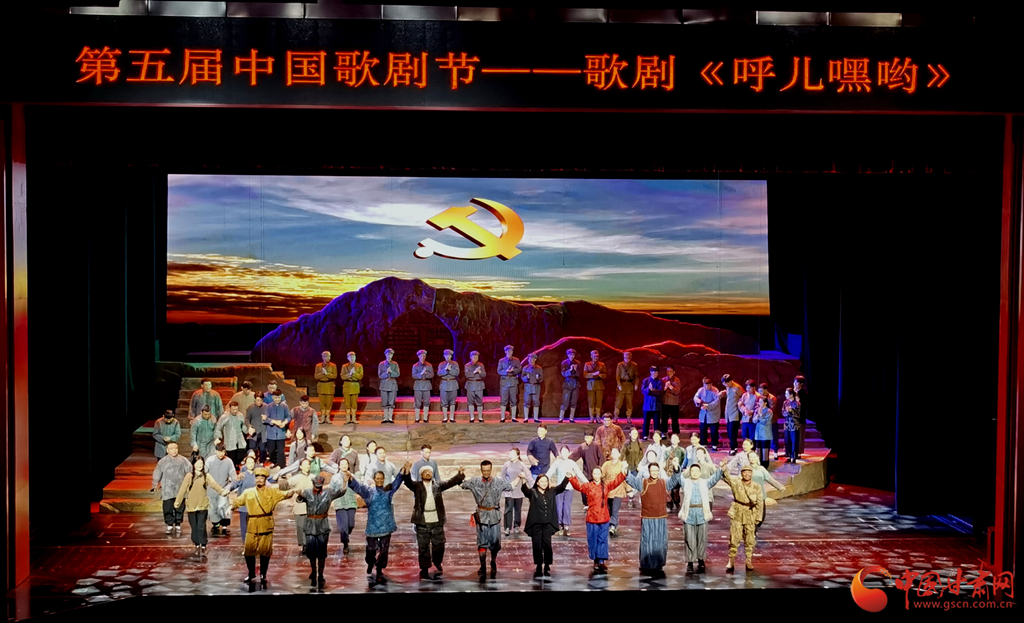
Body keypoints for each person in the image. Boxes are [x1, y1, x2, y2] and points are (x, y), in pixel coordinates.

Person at [230, 466, 297, 589]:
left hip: (266, 523)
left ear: (265, 479)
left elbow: (285, 494)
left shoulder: (272, 492)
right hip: (252, 523)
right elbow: (237, 501)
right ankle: (251, 573)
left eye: (262, 477)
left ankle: (263, 574)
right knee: (249, 551)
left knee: (265, 551)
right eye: (257, 477)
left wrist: (294, 491)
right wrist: (230, 507)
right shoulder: (249, 492)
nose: (259, 479)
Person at [401, 460, 467, 579]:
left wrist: (460, 474)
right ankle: (424, 567)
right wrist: (406, 471)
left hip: (437, 520)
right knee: (423, 546)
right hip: (422, 521)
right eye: (425, 472)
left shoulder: (437, 485)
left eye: (430, 472)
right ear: (421, 475)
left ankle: (437, 561)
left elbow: (450, 482)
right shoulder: (417, 486)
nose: (428, 474)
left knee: (439, 544)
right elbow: (408, 482)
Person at [625, 461, 683, 576]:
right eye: (652, 470)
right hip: (648, 517)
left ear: (659, 471)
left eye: (656, 470)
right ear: (649, 471)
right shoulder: (643, 483)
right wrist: (626, 470)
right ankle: (646, 564)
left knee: (660, 542)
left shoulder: (663, 483)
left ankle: (658, 563)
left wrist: (676, 468)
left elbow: (675, 479)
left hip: (660, 517)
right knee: (647, 541)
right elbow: (631, 480)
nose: (654, 472)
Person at [568, 464, 627, 573]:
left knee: (603, 540)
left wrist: (623, 473)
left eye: (598, 473)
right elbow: (578, 486)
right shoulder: (588, 486)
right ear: (592, 475)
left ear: (601, 474)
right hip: (592, 518)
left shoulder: (606, 486)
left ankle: (601, 561)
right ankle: (595, 560)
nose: (596, 475)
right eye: (594, 473)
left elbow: (615, 482)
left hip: (604, 518)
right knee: (593, 540)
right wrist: (572, 477)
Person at [460, 460, 514, 578]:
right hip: (482, 516)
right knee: (482, 542)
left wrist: (521, 478)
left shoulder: (498, 481)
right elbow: (462, 485)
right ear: (481, 470)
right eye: (484, 471)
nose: (486, 473)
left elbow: (511, 486)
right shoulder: (475, 481)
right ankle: (483, 566)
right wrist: (460, 474)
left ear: (491, 469)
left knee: (495, 542)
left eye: (488, 470)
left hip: (494, 516)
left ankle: (493, 562)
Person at [517, 471, 571, 578]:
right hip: (536, 523)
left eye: (546, 481)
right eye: (541, 481)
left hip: (547, 523)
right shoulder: (533, 493)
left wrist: (567, 478)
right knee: (537, 545)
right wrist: (523, 479)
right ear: (537, 483)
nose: (544, 483)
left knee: (547, 545)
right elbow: (525, 490)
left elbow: (561, 487)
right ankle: (538, 565)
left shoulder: (551, 491)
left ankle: (547, 565)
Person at [174, 455, 227, 558]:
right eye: (197, 463)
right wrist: (178, 501)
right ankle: (197, 544)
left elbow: (214, 484)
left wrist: (222, 491)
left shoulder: (206, 476)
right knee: (194, 527)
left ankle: (203, 544)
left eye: (201, 464)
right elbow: (183, 489)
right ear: (193, 464)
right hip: (192, 506)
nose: (199, 465)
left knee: (201, 526)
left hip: (203, 505)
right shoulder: (189, 476)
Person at [297, 474, 345, 588]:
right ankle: (313, 571)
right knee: (311, 551)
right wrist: (299, 495)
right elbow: (299, 500)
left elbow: (341, 492)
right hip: (310, 525)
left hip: (323, 525)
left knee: (322, 552)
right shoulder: (307, 492)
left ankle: (321, 574)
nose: (318, 488)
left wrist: (345, 481)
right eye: (316, 486)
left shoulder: (328, 493)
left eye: (319, 486)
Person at [677, 461, 724, 574]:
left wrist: (721, 468)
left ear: (700, 472)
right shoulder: (686, 482)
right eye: (692, 471)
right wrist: (676, 467)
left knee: (702, 537)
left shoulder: (705, 482)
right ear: (690, 472)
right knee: (689, 538)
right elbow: (678, 476)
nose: (694, 473)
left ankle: (701, 559)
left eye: (697, 471)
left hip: (702, 512)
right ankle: (690, 561)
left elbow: (714, 478)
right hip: (689, 513)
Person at [720, 460, 764, 573]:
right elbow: (727, 477)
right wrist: (724, 467)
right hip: (737, 512)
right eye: (745, 472)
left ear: (752, 473)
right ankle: (731, 560)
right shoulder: (736, 482)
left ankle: (748, 560)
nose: (747, 474)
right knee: (734, 538)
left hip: (750, 513)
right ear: (742, 473)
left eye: (749, 472)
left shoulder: (757, 487)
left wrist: (759, 517)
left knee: (749, 539)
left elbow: (760, 502)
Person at [152, 442, 191, 535]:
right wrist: (155, 485)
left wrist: (189, 484)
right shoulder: (163, 461)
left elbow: (189, 472)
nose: (174, 450)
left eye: (175, 448)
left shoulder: (183, 460)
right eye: (171, 449)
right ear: (167, 450)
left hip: (180, 488)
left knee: (180, 506)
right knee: (167, 506)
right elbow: (157, 472)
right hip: (167, 488)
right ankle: (169, 523)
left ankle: (178, 523)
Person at [546, 445, 586, 536]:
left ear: (568, 453)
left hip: (569, 488)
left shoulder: (572, 463)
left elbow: (579, 474)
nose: (564, 454)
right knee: (559, 507)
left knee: (567, 508)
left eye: (566, 452)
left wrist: (587, 483)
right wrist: (544, 480)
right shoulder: (557, 462)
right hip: (559, 488)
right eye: (562, 452)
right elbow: (550, 472)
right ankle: (560, 525)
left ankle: (566, 526)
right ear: (560, 453)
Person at [746, 452, 787, 528]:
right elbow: (739, 480)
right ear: (748, 459)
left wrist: (780, 487)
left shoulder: (761, 469)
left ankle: (754, 528)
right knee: (752, 515)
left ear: (757, 457)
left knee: (761, 516)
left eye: (754, 457)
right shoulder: (746, 469)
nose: (752, 458)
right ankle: (751, 530)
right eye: (750, 457)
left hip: (761, 495)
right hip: (750, 495)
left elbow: (770, 479)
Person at [284, 458, 315, 554]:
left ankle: (310, 544)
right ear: (301, 467)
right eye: (305, 464)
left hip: (312, 506)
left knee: (312, 527)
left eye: (308, 464)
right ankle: (304, 545)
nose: (307, 466)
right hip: (300, 505)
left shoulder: (314, 477)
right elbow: (286, 486)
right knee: (301, 527)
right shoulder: (296, 478)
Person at [500, 447, 533, 536]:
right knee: (508, 509)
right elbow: (502, 477)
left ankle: (517, 525)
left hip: (519, 491)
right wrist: (504, 486)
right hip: (509, 491)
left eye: (513, 454)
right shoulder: (506, 465)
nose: (511, 456)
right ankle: (507, 527)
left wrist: (534, 486)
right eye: (510, 454)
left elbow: (528, 476)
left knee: (518, 510)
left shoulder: (521, 465)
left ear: (518, 455)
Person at [206, 443, 237, 537]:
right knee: (213, 508)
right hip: (211, 489)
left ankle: (224, 526)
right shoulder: (210, 460)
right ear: (215, 451)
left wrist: (230, 487)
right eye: (219, 451)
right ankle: (215, 525)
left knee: (223, 507)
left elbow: (233, 476)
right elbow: (205, 473)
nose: (221, 454)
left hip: (223, 489)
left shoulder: (228, 461)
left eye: (223, 452)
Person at [569, 429, 604, 507]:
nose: (587, 439)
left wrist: (599, 469)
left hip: (595, 473)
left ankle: (595, 503)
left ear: (592, 437)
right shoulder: (582, 447)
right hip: (586, 472)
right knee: (584, 489)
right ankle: (586, 504)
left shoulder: (596, 446)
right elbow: (574, 456)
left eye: (589, 437)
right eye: (586, 437)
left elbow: (601, 458)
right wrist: (567, 461)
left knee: (596, 490)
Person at [329, 458, 357, 555]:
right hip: (340, 503)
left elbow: (359, 487)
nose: (344, 466)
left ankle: (346, 535)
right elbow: (331, 490)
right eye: (342, 464)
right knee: (343, 526)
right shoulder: (335, 477)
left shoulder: (352, 476)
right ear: (339, 466)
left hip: (351, 502)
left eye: (346, 464)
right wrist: (331, 501)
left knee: (351, 525)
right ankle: (345, 543)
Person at [226, 454, 258, 539]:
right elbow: (234, 483)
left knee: (255, 526)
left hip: (255, 504)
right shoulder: (242, 475)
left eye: (252, 462)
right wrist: (228, 489)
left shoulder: (257, 475)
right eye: (249, 463)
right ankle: (245, 542)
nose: (251, 464)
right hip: (244, 505)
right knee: (244, 526)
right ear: (246, 464)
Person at [601, 447, 628, 535]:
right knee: (609, 509)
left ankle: (613, 525)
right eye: (613, 453)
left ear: (619, 455)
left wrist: (628, 489)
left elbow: (625, 477)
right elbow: (602, 475)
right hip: (608, 490)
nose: (614, 455)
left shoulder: (621, 464)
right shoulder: (606, 464)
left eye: (616, 453)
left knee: (615, 509)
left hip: (618, 490)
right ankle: (612, 523)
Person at [215, 401, 247, 466]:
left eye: (236, 409)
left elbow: (243, 425)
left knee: (240, 456)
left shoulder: (240, 415)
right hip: (230, 441)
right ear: (229, 408)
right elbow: (218, 427)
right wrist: (218, 437)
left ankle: (237, 465)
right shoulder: (224, 417)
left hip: (240, 440)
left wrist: (247, 430)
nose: (235, 411)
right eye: (233, 410)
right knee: (232, 459)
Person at [264, 390, 291, 468]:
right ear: (273, 397)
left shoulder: (285, 406)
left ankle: (282, 466)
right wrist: (275, 422)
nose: (277, 399)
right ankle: (275, 462)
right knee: (271, 451)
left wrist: (284, 423)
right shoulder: (268, 407)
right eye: (275, 398)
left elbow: (288, 417)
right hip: (271, 433)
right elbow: (265, 419)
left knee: (280, 451)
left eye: (278, 398)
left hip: (280, 433)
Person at [694, 377, 721, 450]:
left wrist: (708, 406)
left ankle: (714, 445)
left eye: (708, 385)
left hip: (713, 415)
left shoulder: (715, 391)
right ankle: (703, 444)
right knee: (703, 430)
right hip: (703, 415)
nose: (706, 387)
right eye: (705, 385)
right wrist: (698, 401)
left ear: (711, 384)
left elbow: (716, 401)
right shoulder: (701, 390)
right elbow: (695, 397)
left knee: (714, 431)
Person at [497, 345, 522, 423]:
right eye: (508, 351)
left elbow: (519, 370)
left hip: (513, 382)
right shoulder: (501, 361)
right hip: (504, 382)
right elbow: (499, 371)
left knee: (514, 400)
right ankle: (502, 417)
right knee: (503, 400)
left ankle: (513, 417)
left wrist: (513, 370)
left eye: (511, 351)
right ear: (505, 351)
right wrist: (506, 371)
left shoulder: (516, 360)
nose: (510, 352)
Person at [721, 374, 745, 455]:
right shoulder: (728, 387)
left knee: (732, 431)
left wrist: (740, 404)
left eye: (726, 383)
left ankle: (733, 448)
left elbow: (744, 396)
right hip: (728, 413)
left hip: (735, 412)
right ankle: (733, 447)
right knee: (729, 432)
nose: (725, 385)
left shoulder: (737, 388)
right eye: (724, 384)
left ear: (731, 381)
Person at [614, 351, 639, 424]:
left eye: (628, 358)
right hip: (622, 385)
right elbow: (617, 376)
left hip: (630, 386)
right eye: (625, 358)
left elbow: (636, 376)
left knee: (629, 403)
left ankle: (629, 417)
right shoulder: (620, 365)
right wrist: (619, 384)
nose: (627, 359)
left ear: (631, 358)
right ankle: (616, 416)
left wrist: (636, 384)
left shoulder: (634, 365)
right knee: (618, 402)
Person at [583, 350, 607, 424]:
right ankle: (591, 417)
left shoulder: (602, 364)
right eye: (594, 356)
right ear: (591, 356)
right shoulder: (587, 364)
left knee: (598, 402)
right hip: (590, 385)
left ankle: (598, 417)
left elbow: (605, 375)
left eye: (597, 356)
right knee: (591, 401)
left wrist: (600, 375)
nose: (596, 358)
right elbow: (585, 375)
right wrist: (593, 374)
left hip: (599, 385)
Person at [558, 348, 581, 423]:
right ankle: (561, 418)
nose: (572, 356)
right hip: (567, 383)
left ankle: (571, 418)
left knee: (574, 401)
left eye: (573, 354)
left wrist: (576, 370)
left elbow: (579, 374)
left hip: (575, 383)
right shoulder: (564, 362)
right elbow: (563, 373)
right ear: (568, 355)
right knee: (565, 401)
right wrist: (570, 370)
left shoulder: (577, 363)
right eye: (570, 354)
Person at [622, 427, 644, 508]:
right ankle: (630, 498)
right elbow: (623, 454)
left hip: (636, 467)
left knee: (635, 483)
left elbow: (641, 455)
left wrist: (639, 465)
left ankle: (632, 498)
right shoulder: (626, 444)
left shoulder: (640, 443)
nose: (635, 435)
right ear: (630, 434)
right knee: (629, 483)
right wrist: (624, 464)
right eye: (633, 433)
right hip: (628, 466)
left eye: (636, 433)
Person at [640, 366, 664, 441]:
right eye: (654, 371)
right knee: (646, 421)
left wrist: (651, 390)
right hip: (647, 405)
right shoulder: (646, 380)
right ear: (650, 372)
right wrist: (649, 389)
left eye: (656, 372)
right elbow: (643, 391)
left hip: (656, 405)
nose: (655, 373)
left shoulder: (660, 381)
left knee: (657, 422)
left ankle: (657, 435)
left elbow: (660, 392)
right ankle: (645, 435)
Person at [314, 351, 337, 425]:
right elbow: (316, 376)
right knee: (322, 404)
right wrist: (322, 374)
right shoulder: (318, 366)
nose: (328, 358)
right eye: (326, 356)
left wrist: (327, 374)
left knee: (329, 403)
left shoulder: (333, 366)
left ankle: (328, 417)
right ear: (323, 357)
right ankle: (322, 417)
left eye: (329, 356)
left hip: (330, 386)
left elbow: (334, 376)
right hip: (321, 386)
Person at [340, 352, 363, 424]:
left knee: (354, 404)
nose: (352, 358)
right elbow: (342, 376)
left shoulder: (359, 366)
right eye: (350, 357)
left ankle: (353, 418)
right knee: (347, 404)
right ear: (348, 358)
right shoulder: (344, 366)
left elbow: (360, 376)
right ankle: (347, 418)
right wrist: (349, 375)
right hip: (347, 386)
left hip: (355, 386)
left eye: (353, 357)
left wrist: (354, 373)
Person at [437, 349, 460, 423]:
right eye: (446, 355)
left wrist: (450, 370)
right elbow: (439, 373)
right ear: (444, 356)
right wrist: (445, 369)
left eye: (449, 355)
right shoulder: (441, 364)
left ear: (451, 356)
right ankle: (445, 417)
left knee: (452, 401)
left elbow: (457, 373)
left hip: (453, 384)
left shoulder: (455, 364)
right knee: (444, 401)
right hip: (444, 384)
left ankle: (452, 417)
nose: (448, 357)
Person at [412, 349, 434, 423]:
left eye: (424, 356)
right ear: (418, 356)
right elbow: (414, 375)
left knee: (426, 402)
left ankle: (425, 418)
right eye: (421, 356)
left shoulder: (429, 365)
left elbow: (432, 374)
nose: (422, 357)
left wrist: (426, 374)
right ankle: (417, 418)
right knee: (417, 402)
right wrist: (421, 373)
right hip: (418, 385)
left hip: (426, 385)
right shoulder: (415, 366)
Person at [665, 433, 685, 511]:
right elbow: (664, 460)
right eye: (672, 438)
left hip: (677, 472)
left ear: (678, 440)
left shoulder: (682, 450)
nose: (674, 440)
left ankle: (677, 503)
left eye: (676, 438)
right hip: (668, 472)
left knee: (676, 489)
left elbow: (683, 461)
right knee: (669, 489)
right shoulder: (667, 450)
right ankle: (669, 504)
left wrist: (679, 469)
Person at [378, 348, 399, 424]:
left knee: (391, 401)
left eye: (391, 354)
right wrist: (386, 372)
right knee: (384, 401)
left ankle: (390, 417)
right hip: (384, 384)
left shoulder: (395, 364)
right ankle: (385, 417)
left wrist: (391, 371)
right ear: (385, 354)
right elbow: (380, 375)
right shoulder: (381, 364)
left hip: (392, 384)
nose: (389, 356)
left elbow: (397, 374)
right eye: (388, 354)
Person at [245, 392, 268, 464]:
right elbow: (247, 419)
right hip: (254, 431)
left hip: (263, 431)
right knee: (252, 448)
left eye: (261, 400)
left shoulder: (266, 407)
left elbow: (270, 418)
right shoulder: (250, 408)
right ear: (255, 399)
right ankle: (253, 462)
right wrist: (249, 427)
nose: (259, 402)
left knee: (263, 449)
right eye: (257, 400)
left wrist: (266, 418)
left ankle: (262, 462)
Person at [521, 353, 543, 423]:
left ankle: (536, 418)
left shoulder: (539, 368)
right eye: (529, 359)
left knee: (536, 402)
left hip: (536, 387)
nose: (530, 360)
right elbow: (522, 377)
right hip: (528, 386)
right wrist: (526, 378)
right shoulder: (525, 368)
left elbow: (541, 378)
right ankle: (526, 418)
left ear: (535, 359)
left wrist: (538, 378)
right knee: (527, 401)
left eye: (532, 359)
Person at [464, 351, 486, 423]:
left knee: (480, 401)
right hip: (470, 384)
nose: (475, 358)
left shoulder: (481, 365)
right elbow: (467, 375)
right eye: (474, 356)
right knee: (470, 401)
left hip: (479, 384)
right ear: (470, 357)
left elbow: (484, 375)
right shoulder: (467, 365)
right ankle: (472, 417)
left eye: (477, 356)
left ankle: (480, 417)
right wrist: (474, 372)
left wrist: (480, 372)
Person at [759, 382, 779, 459]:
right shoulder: (760, 398)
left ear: (766, 390)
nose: (760, 392)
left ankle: (775, 452)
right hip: (762, 421)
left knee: (773, 436)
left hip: (771, 420)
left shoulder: (772, 398)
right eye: (759, 391)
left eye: (761, 391)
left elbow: (771, 409)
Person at [782, 388, 801, 463]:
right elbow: (783, 412)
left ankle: (794, 457)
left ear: (791, 395)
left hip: (794, 425)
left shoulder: (797, 403)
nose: (785, 395)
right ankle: (788, 456)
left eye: (787, 394)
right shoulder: (785, 402)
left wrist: (791, 411)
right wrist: (787, 412)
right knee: (787, 441)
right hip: (787, 424)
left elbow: (798, 415)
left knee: (794, 441)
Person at [660, 365, 681, 435]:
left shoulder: (677, 380)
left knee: (674, 419)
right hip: (665, 402)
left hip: (674, 403)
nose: (669, 372)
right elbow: (660, 391)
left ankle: (675, 432)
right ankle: (664, 432)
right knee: (664, 419)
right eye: (667, 371)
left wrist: (670, 386)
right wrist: (665, 387)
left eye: (670, 371)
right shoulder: (663, 379)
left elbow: (677, 391)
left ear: (674, 372)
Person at [753, 393, 774, 464]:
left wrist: (760, 415)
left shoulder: (769, 411)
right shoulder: (757, 410)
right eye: (759, 402)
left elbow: (766, 422)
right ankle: (758, 464)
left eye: (761, 402)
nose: (760, 404)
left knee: (765, 452)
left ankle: (765, 465)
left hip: (765, 435)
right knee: (758, 451)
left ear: (765, 403)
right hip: (758, 435)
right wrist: (758, 415)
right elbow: (754, 420)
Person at [739, 379, 759, 445]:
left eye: (750, 388)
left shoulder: (758, 396)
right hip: (745, 419)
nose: (748, 390)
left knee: (752, 436)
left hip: (753, 420)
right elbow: (740, 404)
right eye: (747, 388)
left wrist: (752, 412)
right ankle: (746, 449)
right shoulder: (744, 395)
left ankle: (752, 449)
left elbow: (759, 407)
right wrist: (744, 410)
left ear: (754, 387)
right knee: (744, 435)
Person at [793, 375, 809, 458]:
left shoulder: (804, 393)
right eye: (794, 382)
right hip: (792, 418)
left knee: (800, 435)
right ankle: (791, 451)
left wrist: (795, 394)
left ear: (801, 384)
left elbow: (801, 405)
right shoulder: (792, 392)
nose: (794, 384)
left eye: (796, 382)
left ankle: (799, 452)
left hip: (800, 418)